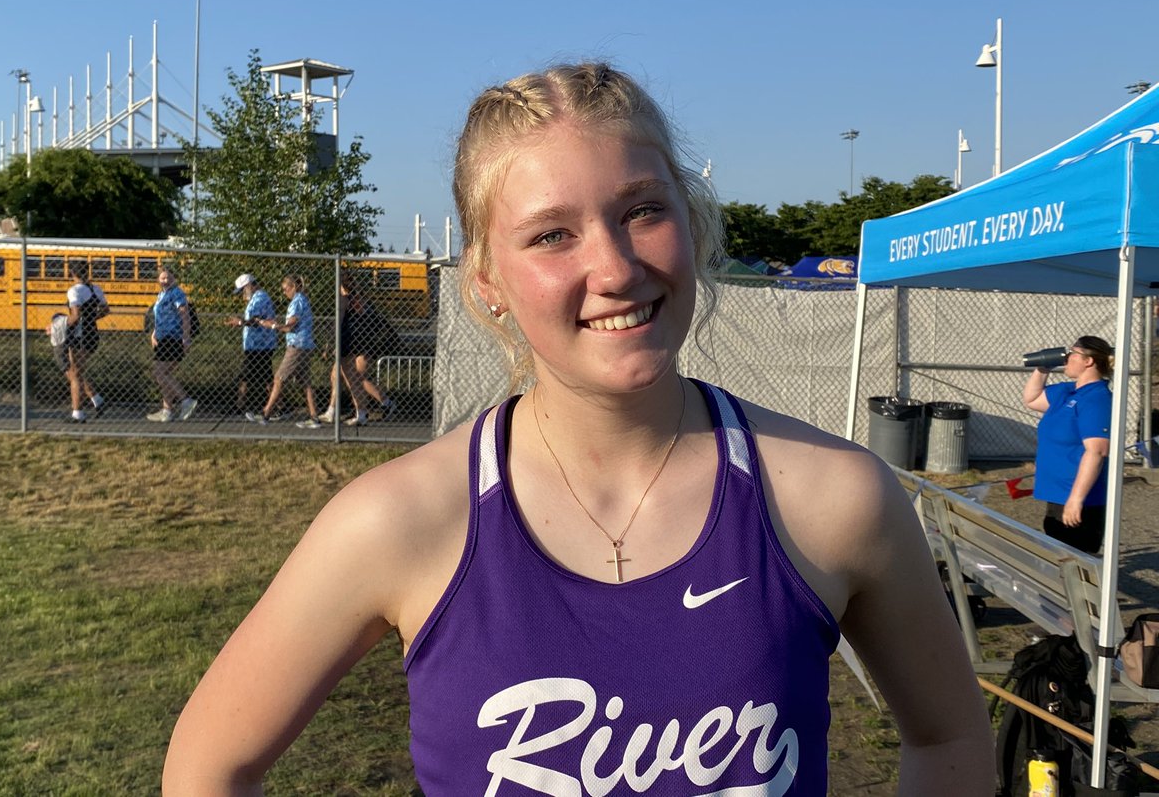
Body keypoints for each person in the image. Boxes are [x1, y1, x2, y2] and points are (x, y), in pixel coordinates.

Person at [164, 62, 993, 794]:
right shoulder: (400, 521)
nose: (615, 268)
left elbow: (951, 736)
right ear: (487, 279)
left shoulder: (834, 497)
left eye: (641, 211)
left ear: (693, 222)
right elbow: (208, 766)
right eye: (552, 234)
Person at [1022, 336, 1113, 553]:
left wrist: (1076, 499)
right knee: (1056, 552)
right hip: (1056, 494)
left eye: (1072, 354)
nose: (1066, 358)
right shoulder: (1066, 391)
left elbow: (1097, 451)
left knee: (1076, 558)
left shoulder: (1097, 398)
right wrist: (1043, 368)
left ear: (1088, 361)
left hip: (1078, 497)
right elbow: (1031, 399)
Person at [317, 272, 396, 427]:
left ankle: (378, 405)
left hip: (356, 345)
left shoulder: (347, 300)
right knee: (337, 375)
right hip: (357, 344)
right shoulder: (357, 300)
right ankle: (333, 410)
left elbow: (339, 324)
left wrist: (333, 345)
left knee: (355, 378)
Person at [246, 274, 320, 427]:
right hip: (304, 345)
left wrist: (272, 325)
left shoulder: (297, 302)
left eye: (286, 289)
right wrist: (271, 323)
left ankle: (266, 413)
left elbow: (290, 326)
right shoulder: (302, 300)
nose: (284, 293)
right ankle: (314, 417)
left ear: (293, 287)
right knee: (305, 382)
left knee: (279, 378)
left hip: (297, 346)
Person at [58, 259, 106, 423]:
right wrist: (92, 317)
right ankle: (97, 400)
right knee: (76, 371)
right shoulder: (96, 289)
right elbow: (106, 310)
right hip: (92, 334)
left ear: (72, 273)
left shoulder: (74, 291)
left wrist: (58, 325)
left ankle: (77, 413)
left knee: (75, 374)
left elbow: (75, 316)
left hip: (80, 336)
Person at [147, 267, 197, 423]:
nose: (165, 280)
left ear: (174, 278)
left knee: (160, 373)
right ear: (158, 280)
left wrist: (186, 338)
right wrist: (154, 333)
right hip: (162, 338)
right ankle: (167, 411)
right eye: (162, 278)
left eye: (168, 277)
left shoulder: (176, 293)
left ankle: (185, 400)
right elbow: (162, 317)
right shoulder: (162, 294)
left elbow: (184, 315)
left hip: (173, 338)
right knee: (165, 375)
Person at [225, 273, 277, 417]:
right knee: (264, 376)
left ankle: (241, 405)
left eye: (242, 290)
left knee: (247, 375)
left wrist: (240, 322)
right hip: (257, 344)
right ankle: (278, 405)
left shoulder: (260, 298)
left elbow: (255, 320)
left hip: (260, 344)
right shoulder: (256, 298)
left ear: (248, 286)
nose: (242, 294)